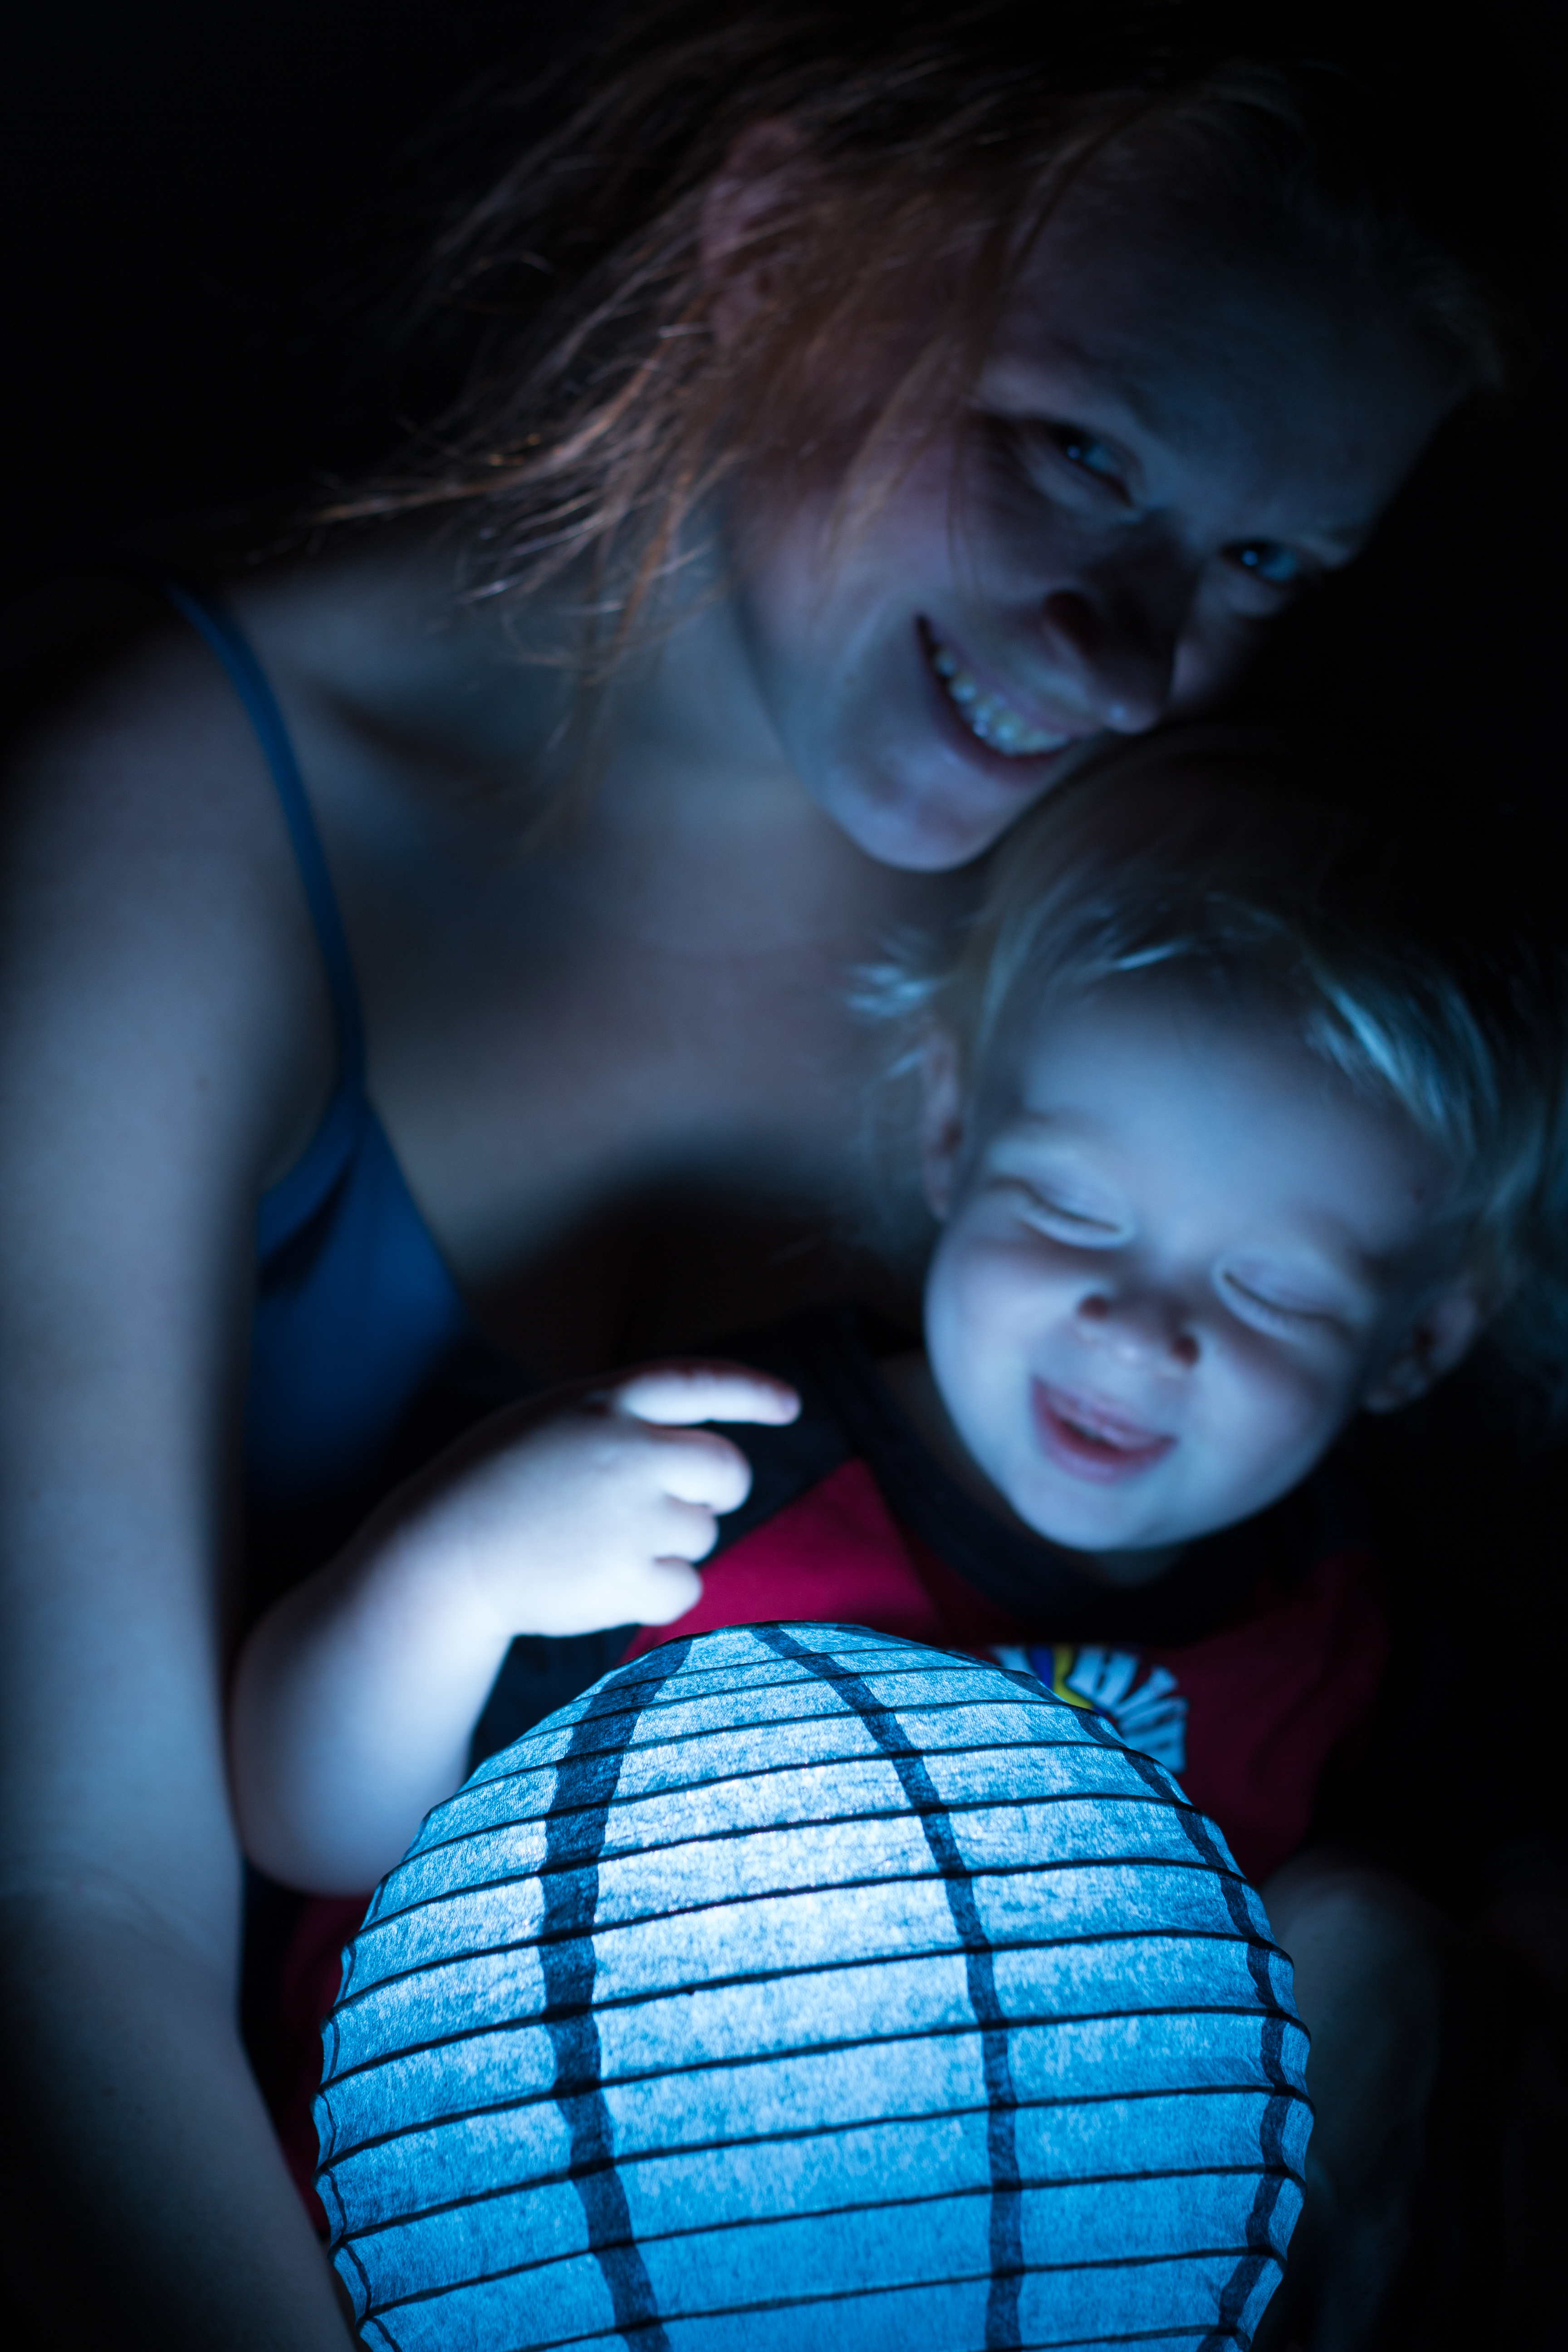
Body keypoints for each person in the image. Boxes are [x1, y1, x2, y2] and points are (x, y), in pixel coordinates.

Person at [0, 5, 1505, 2345]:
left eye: (1269, 558)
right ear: (769, 241)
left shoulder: (1172, 919)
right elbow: (64, 1913)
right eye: (1074, 455)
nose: (1128, 659)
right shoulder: (168, 817)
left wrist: (1372, 1958)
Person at [229, 734, 1567, 2345]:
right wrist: (443, 1574)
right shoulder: (711, 1480)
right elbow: (309, 1831)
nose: (1136, 1331)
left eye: (1271, 1292)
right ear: (950, 1139)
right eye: (1073, 1212)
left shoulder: (1350, 1608)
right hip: (541, 2226)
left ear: (1417, 1343)